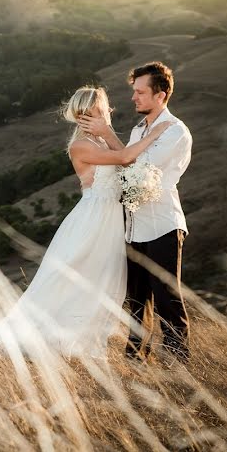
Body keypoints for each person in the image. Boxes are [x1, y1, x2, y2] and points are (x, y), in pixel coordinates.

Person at [0, 86, 172, 357]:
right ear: (89, 114)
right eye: (102, 109)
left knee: (104, 282)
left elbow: (128, 165)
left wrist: (107, 133)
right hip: (93, 221)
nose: (109, 112)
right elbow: (127, 157)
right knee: (74, 281)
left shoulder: (101, 141)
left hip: (110, 222)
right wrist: (159, 131)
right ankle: (52, 342)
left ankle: (85, 346)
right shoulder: (81, 146)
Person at [78, 61, 192, 361]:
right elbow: (122, 166)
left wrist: (107, 133)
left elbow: (137, 167)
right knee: (137, 299)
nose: (134, 98)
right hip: (133, 225)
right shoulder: (140, 128)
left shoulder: (174, 131)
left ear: (161, 95)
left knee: (166, 295)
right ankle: (134, 357)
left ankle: (177, 358)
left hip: (162, 224)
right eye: (134, 92)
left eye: (141, 92)